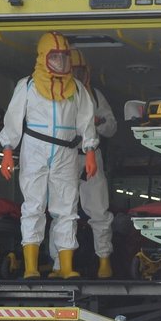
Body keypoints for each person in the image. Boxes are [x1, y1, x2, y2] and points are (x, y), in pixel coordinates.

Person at [0, 32, 99, 279]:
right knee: (33, 206)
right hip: (34, 149)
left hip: (66, 152)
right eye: (54, 57)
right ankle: (31, 267)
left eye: (64, 57)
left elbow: (87, 121)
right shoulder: (28, 86)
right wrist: (8, 151)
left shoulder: (76, 89)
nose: (60, 62)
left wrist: (90, 151)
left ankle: (65, 266)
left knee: (66, 209)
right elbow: (13, 119)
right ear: (43, 57)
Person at [48, 49, 119, 279]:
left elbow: (112, 127)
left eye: (80, 70)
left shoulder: (95, 96)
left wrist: (97, 124)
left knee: (99, 210)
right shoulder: (55, 94)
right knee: (61, 211)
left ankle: (104, 260)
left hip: (91, 156)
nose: (77, 75)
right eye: (73, 70)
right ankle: (59, 263)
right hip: (64, 157)